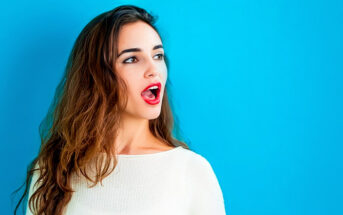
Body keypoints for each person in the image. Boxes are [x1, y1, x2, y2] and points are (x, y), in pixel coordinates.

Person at [13, 4, 226, 215]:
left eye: (158, 56)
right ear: (98, 77)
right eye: (132, 59)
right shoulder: (54, 169)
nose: (154, 70)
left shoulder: (191, 172)